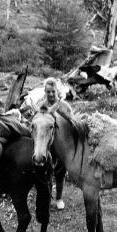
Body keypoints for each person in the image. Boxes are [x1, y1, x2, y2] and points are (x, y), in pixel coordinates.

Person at [40, 78, 71, 210]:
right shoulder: (42, 106)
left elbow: (72, 125)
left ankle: (58, 198)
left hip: (62, 144)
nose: (51, 94)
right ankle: (46, 199)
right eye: (48, 92)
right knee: (46, 171)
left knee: (60, 171)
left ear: (57, 91)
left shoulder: (64, 106)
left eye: (53, 91)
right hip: (47, 144)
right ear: (45, 92)